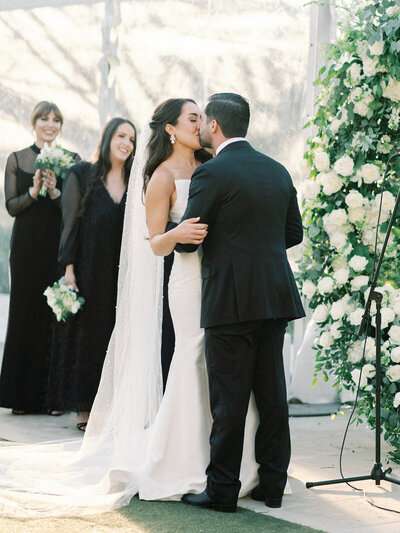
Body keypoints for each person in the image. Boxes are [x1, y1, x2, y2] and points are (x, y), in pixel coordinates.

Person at [0, 99, 267, 516]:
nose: (202, 123)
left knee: (224, 364)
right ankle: (178, 460)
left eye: (202, 117)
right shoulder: (160, 176)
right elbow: (155, 242)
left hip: (226, 282)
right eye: (193, 117)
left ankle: (232, 462)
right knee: (192, 358)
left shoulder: (214, 164)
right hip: (188, 280)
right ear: (172, 131)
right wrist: (180, 231)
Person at [174, 93, 305, 512]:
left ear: (215, 126)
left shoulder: (211, 173)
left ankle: (222, 490)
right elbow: (293, 234)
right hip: (275, 296)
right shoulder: (277, 170)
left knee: (228, 400)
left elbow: (189, 241)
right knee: (272, 397)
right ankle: (272, 486)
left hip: (230, 299)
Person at [46, 117, 136, 431]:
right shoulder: (82, 174)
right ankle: (85, 409)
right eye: (121, 136)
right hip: (87, 271)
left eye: (132, 139)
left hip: (122, 274)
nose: (127, 143)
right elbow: (69, 226)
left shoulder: (136, 181)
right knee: (88, 339)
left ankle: (112, 408)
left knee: (118, 338)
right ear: (109, 137)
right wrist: (68, 268)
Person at [0, 101, 80, 415]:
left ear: (61, 126)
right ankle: (20, 397)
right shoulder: (17, 159)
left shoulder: (72, 161)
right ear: (33, 123)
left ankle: (54, 398)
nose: (50, 124)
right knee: (24, 311)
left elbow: (76, 210)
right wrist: (34, 192)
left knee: (56, 314)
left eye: (56, 120)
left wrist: (57, 192)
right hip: (25, 246)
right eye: (44, 119)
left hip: (57, 246)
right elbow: (11, 206)